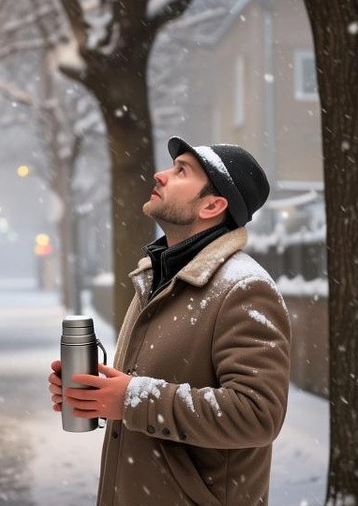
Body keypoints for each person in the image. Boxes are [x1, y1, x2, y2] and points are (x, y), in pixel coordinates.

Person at [49, 137, 290, 506]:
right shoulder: (157, 277)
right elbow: (147, 387)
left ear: (213, 205)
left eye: (181, 172)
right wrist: (100, 395)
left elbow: (258, 415)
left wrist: (131, 399)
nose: (161, 175)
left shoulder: (243, 288)